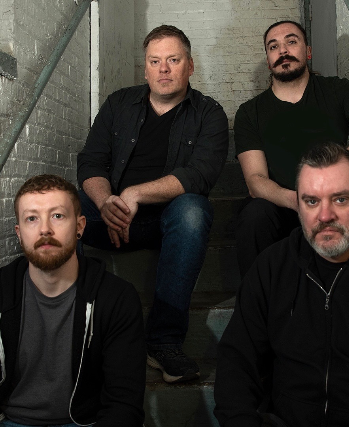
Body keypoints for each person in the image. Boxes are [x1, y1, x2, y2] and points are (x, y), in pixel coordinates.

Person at [214, 142, 349, 427]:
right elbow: (236, 363)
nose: (325, 216)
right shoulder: (272, 268)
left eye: (340, 199)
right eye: (311, 201)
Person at [77, 24, 229, 383]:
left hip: (167, 224)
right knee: (64, 209)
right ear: (145, 68)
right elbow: (91, 162)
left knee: (193, 210)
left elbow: (200, 175)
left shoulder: (209, 113)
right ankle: (76, 332)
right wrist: (106, 201)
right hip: (112, 217)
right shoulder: (119, 103)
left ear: (190, 66)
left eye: (173, 60)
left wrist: (134, 194)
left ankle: (163, 342)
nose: (163, 69)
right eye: (154, 61)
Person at [235, 20, 349, 278]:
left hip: (338, 201)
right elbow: (255, 180)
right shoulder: (249, 112)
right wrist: (298, 200)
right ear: (268, 60)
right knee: (254, 213)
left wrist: (336, 174)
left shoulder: (338, 89)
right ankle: (261, 297)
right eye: (273, 46)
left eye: (291, 41)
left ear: (308, 51)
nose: (283, 50)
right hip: (285, 207)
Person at [0, 174, 146, 427]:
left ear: (80, 226)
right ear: (19, 233)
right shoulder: (3, 290)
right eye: (32, 218)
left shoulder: (116, 298)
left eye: (57, 215)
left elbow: (123, 404)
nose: (45, 229)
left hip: (85, 423)